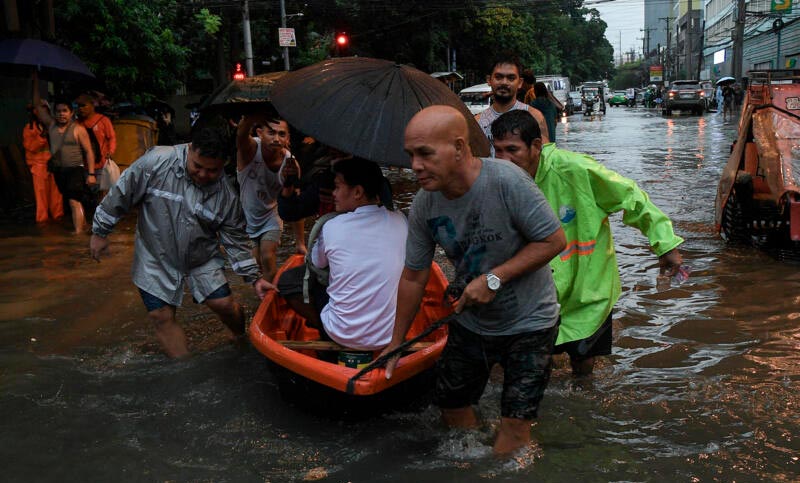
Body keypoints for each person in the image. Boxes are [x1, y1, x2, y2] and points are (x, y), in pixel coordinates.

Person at [383, 105, 566, 455]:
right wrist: (396, 341)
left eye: (425, 154)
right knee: (451, 407)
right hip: (472, 322)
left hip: (530, 323)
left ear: (459, 147)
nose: (415, 166)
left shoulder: (507, 181)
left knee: (513, 433)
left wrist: (494, 279)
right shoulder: (424, 204)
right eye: (411, 155)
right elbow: (413, 276)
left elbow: (554, 241)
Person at [490, 109, 684, 376]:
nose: (503, 160)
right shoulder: (497, 182)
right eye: (497, 151)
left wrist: (665, 244)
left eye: (512, 149)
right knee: (531, 368)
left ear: (536, 146)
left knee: (584, 365)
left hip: (588, 289)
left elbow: (631, 196)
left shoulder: (575, 169)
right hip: (535, 293)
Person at [89, 125, 273, 358]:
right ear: (189, 148)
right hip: (154, 254)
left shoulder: (227, 196)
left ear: (224, 164)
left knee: (224, 306)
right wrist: (100, 231)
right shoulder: (155, 162)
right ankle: (184, 367)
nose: (204, 175)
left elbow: (236, 241)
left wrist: (254, 278)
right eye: (198, 166)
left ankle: (240, 336)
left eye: (212, 171)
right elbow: (121, 193)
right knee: (161, 316)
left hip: (201, 257)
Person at [283, 157, 407, 350]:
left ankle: (322, 329)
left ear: (357, 192)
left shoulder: (332, 226)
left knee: (290, 281)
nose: (334, 194)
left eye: (338, 187)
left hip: (340, 334)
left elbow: (316, 263)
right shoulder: (400, 221)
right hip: (389, 336)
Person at [236, 114, 304, 282]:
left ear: (288, 137)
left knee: (267, 255)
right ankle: (262, 292)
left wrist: (300, 242)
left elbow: (295, 205)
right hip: (246, 216)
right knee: (254, 264)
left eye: (281, 134)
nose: (276, 138)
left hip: (271, 215)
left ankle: (269, 298)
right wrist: (251, 115)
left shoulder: (290, 164)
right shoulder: (250, 150)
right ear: (259, 133)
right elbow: (241, 136)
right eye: (271, 133)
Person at [33, 73, 96, 234]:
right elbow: (38, 107)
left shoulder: (78, 129)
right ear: (55, 113)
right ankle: (83, 227)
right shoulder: (51, 126)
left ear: (71, 113)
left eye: (65, 111)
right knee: (74, 201)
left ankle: (78, 233)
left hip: (75, 169)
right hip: (60, 170)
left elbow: (89, 151)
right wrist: (34, 82)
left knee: (74, 201)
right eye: (59, 111)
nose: (61, 114)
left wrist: (91, 174)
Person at [475, 58, 550, 154]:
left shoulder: (535, 117)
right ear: (489, 80)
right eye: (498, 77)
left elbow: (545, 159)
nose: (504, 82)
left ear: (520, 83)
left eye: (511, 78)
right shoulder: (477, 122)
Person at [22, 103, 63, 223]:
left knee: (57, 196)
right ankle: (43, 222)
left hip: (54, 165)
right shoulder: (29, 128)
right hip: (39, 166)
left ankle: (58, 219)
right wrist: (42, 137)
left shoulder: (54, 127)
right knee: (41, 197)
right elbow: (30, 147)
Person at [76, 93, 116, 193]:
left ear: (92, 105)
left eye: (83, 105)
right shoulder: (77, 123)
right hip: (82, 165)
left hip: (101, 164)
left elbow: (112, 138)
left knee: (102, 193)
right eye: (79, 106)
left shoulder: (103, 120)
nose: (81, 109)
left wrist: (111, 151)